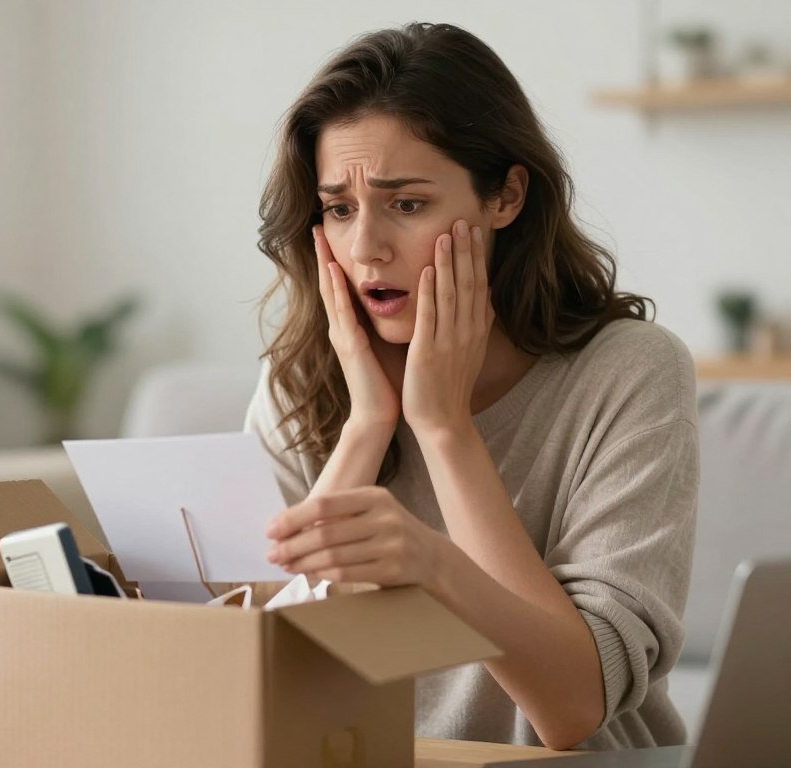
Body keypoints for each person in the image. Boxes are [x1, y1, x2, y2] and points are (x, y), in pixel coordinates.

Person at [245, 22, 698, 751]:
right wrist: (365, 428)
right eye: (339, 208)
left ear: (506, 197)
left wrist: (444, 429)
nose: (366, 248)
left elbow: (575, 706)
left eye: (407, 204)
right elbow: (250, 674)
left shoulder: (631, 372)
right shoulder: (301, 377)